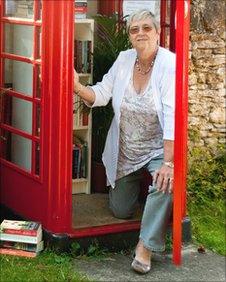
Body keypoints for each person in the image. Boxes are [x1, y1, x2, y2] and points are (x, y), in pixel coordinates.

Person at [74, 9, 175, 274]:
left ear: (157, 32)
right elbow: (102, 93)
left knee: (166, 182)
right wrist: (75, 86)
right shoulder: (124, 59)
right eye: (134, 29)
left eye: (146, 28)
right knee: (121, 211)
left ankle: (146, 245)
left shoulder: (168, 64)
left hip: (157, 149)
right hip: (126, 149)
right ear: (130, 37)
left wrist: (168, 163)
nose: (140, 33)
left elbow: (173, 114)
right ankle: (146, 202)